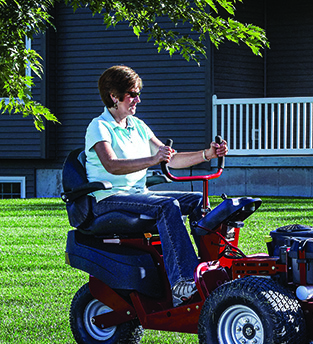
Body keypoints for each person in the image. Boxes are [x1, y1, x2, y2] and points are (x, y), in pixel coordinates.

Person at [85, 65, 227, 305]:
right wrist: (153, 159)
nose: (137, 99)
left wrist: (207, 154)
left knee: (198, 201)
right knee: (166, 205)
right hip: (108, 199)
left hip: (138, 194)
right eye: (132, 94)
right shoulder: (99, 127)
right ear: (113, 95)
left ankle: (212, 269)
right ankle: (183, 284)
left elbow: (172, 159)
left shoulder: (138, 126)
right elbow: (112, 165)